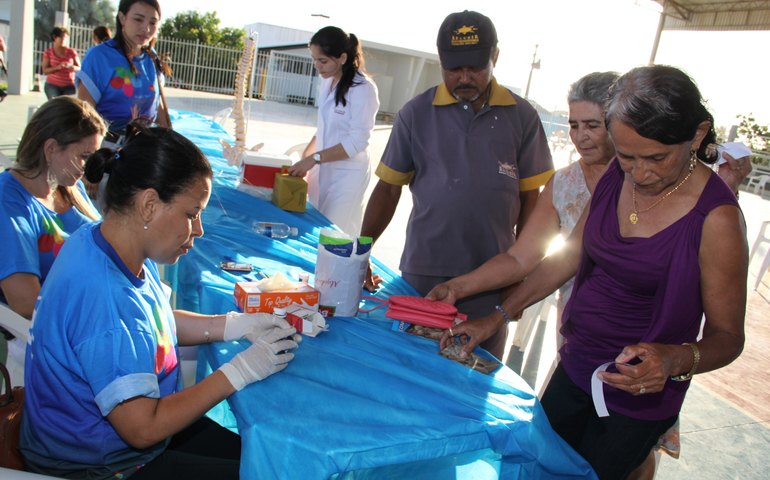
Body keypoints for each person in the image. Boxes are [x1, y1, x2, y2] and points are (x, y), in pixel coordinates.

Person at [441, 65, 748, 479]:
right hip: (577, 361)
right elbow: (570, 257)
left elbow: (728, 337)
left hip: (638, 391)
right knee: (539, 466)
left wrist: (673, 358)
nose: (639, 174)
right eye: (627, 157)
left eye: (656, 157)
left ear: (696, 135)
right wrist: (497, 315)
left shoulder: (717, 218)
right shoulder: (614, 179)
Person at [20, 124, 300, 479]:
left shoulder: (105, 240)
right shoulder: (105, 301)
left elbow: (155, 321)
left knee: (265, 455)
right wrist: (239, 372)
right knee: (265, 472)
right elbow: (142, 429)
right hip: (101, 466)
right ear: (149, 205)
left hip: (126, 439)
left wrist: (232, 324)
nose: (198, 229)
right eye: (191, 213)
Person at [359, 10, 554, 359]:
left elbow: (531, 200)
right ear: (441, 62)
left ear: (494, 57)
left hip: (495, 275)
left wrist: (521, 275)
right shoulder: (415, 113)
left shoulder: (521, 116)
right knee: (414, 361)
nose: (464, 77)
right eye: (454, 69)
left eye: (475, 68)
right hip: (425, 270)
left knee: (475, 368)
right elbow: (388, 189)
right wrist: (362, 251)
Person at [0, 96, 105, 320]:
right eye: (84, 156)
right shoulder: (8, 203)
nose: (86, 168)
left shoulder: (68, 186)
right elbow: (26, 302)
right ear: (51, 149)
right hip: (65, 328)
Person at [287, 26, 379, 236]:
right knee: (314, 224)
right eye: (314, 59)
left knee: (334, 233)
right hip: (324, 164)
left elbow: (357, 141)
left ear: (343, 57)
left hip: (348, 173)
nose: (317, 66)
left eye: (323, 60)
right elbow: (325, 125)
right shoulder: (328, 81)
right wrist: (307, 155)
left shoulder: (363, 89)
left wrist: (314, 159)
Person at [77, 0, 172, 147]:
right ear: (122, 18)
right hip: (105, 148)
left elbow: (158, 105)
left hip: (144, 147)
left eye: (152, 23)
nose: (146, 28)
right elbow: (84, 112)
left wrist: (170, 141)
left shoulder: (151, 57)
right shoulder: (99, 57)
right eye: (138, 19)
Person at [42, 26, 80, 99]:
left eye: (65, 37)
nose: (63, 39)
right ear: (54, 37)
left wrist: (73, 68)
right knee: (55, 105)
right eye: (61, 37)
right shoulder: (48, 52)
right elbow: (45, 70)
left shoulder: (71, 52)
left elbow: (80, 68)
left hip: (69, 86)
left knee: (67, 106)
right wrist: (57, 67)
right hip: (52, 85)